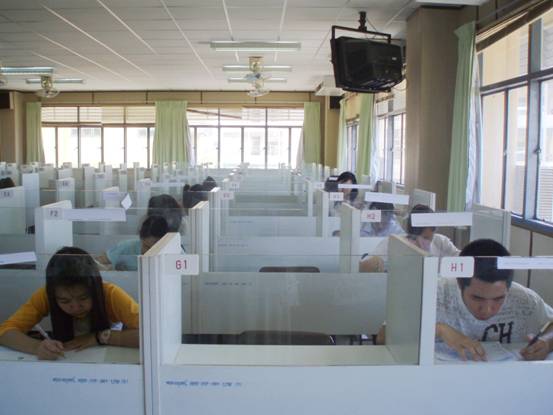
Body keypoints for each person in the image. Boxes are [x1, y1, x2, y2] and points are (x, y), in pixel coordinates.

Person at [0, 247, 139, 360]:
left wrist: (99, 337)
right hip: (66, 359)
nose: (75, 307)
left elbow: (149, 334)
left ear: (94, 289)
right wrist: (37, 347)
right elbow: (5, 331)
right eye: (64, 301)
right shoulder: (46, 295)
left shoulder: (110, 294)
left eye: (83, 298)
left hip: (108, 360)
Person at [436, 239, 553, 361]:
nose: (487, 310)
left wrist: (547, 342)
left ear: (508, 288)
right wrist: (439, 329)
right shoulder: (436, 293)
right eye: (477, 298)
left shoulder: (524, 299)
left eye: (498, 299)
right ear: (460, 284)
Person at [96, 215, 169, 271]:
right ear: (141, 239)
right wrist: (111, 271)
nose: (146, 251)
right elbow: (97, 262)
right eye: (145, 246)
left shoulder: (171, 256)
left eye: (152, 248)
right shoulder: (127, 247)